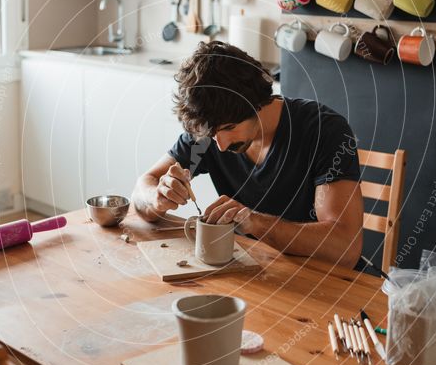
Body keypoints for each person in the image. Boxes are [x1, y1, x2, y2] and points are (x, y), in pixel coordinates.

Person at [132, 41, 363, 268]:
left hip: (319, 281)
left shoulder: (323, 131)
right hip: (257, 270)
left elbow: (345, 249)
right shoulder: (207, 134)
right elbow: (142, 190)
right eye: (212, 135)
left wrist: (255, 222)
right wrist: (157, 197)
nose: (220, 145)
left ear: (257, 104)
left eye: (229, 128)